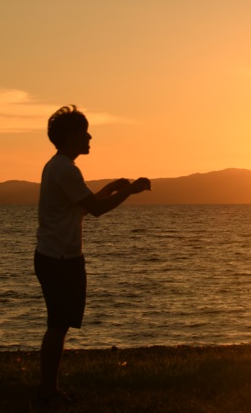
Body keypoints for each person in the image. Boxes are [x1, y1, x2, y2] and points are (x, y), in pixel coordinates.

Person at [34, 105, 151, 406]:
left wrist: (111, 188)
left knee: (59, 324)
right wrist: (131, 192)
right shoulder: (65, 168)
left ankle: (49, 390)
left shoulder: (60, 167)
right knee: (57, 325)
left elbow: (83, 204)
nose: (89, 137)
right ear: (72, 136)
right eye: (84, 132)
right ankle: (48, 392)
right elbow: (96, 210)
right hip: (59, 258)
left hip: (59, 256)